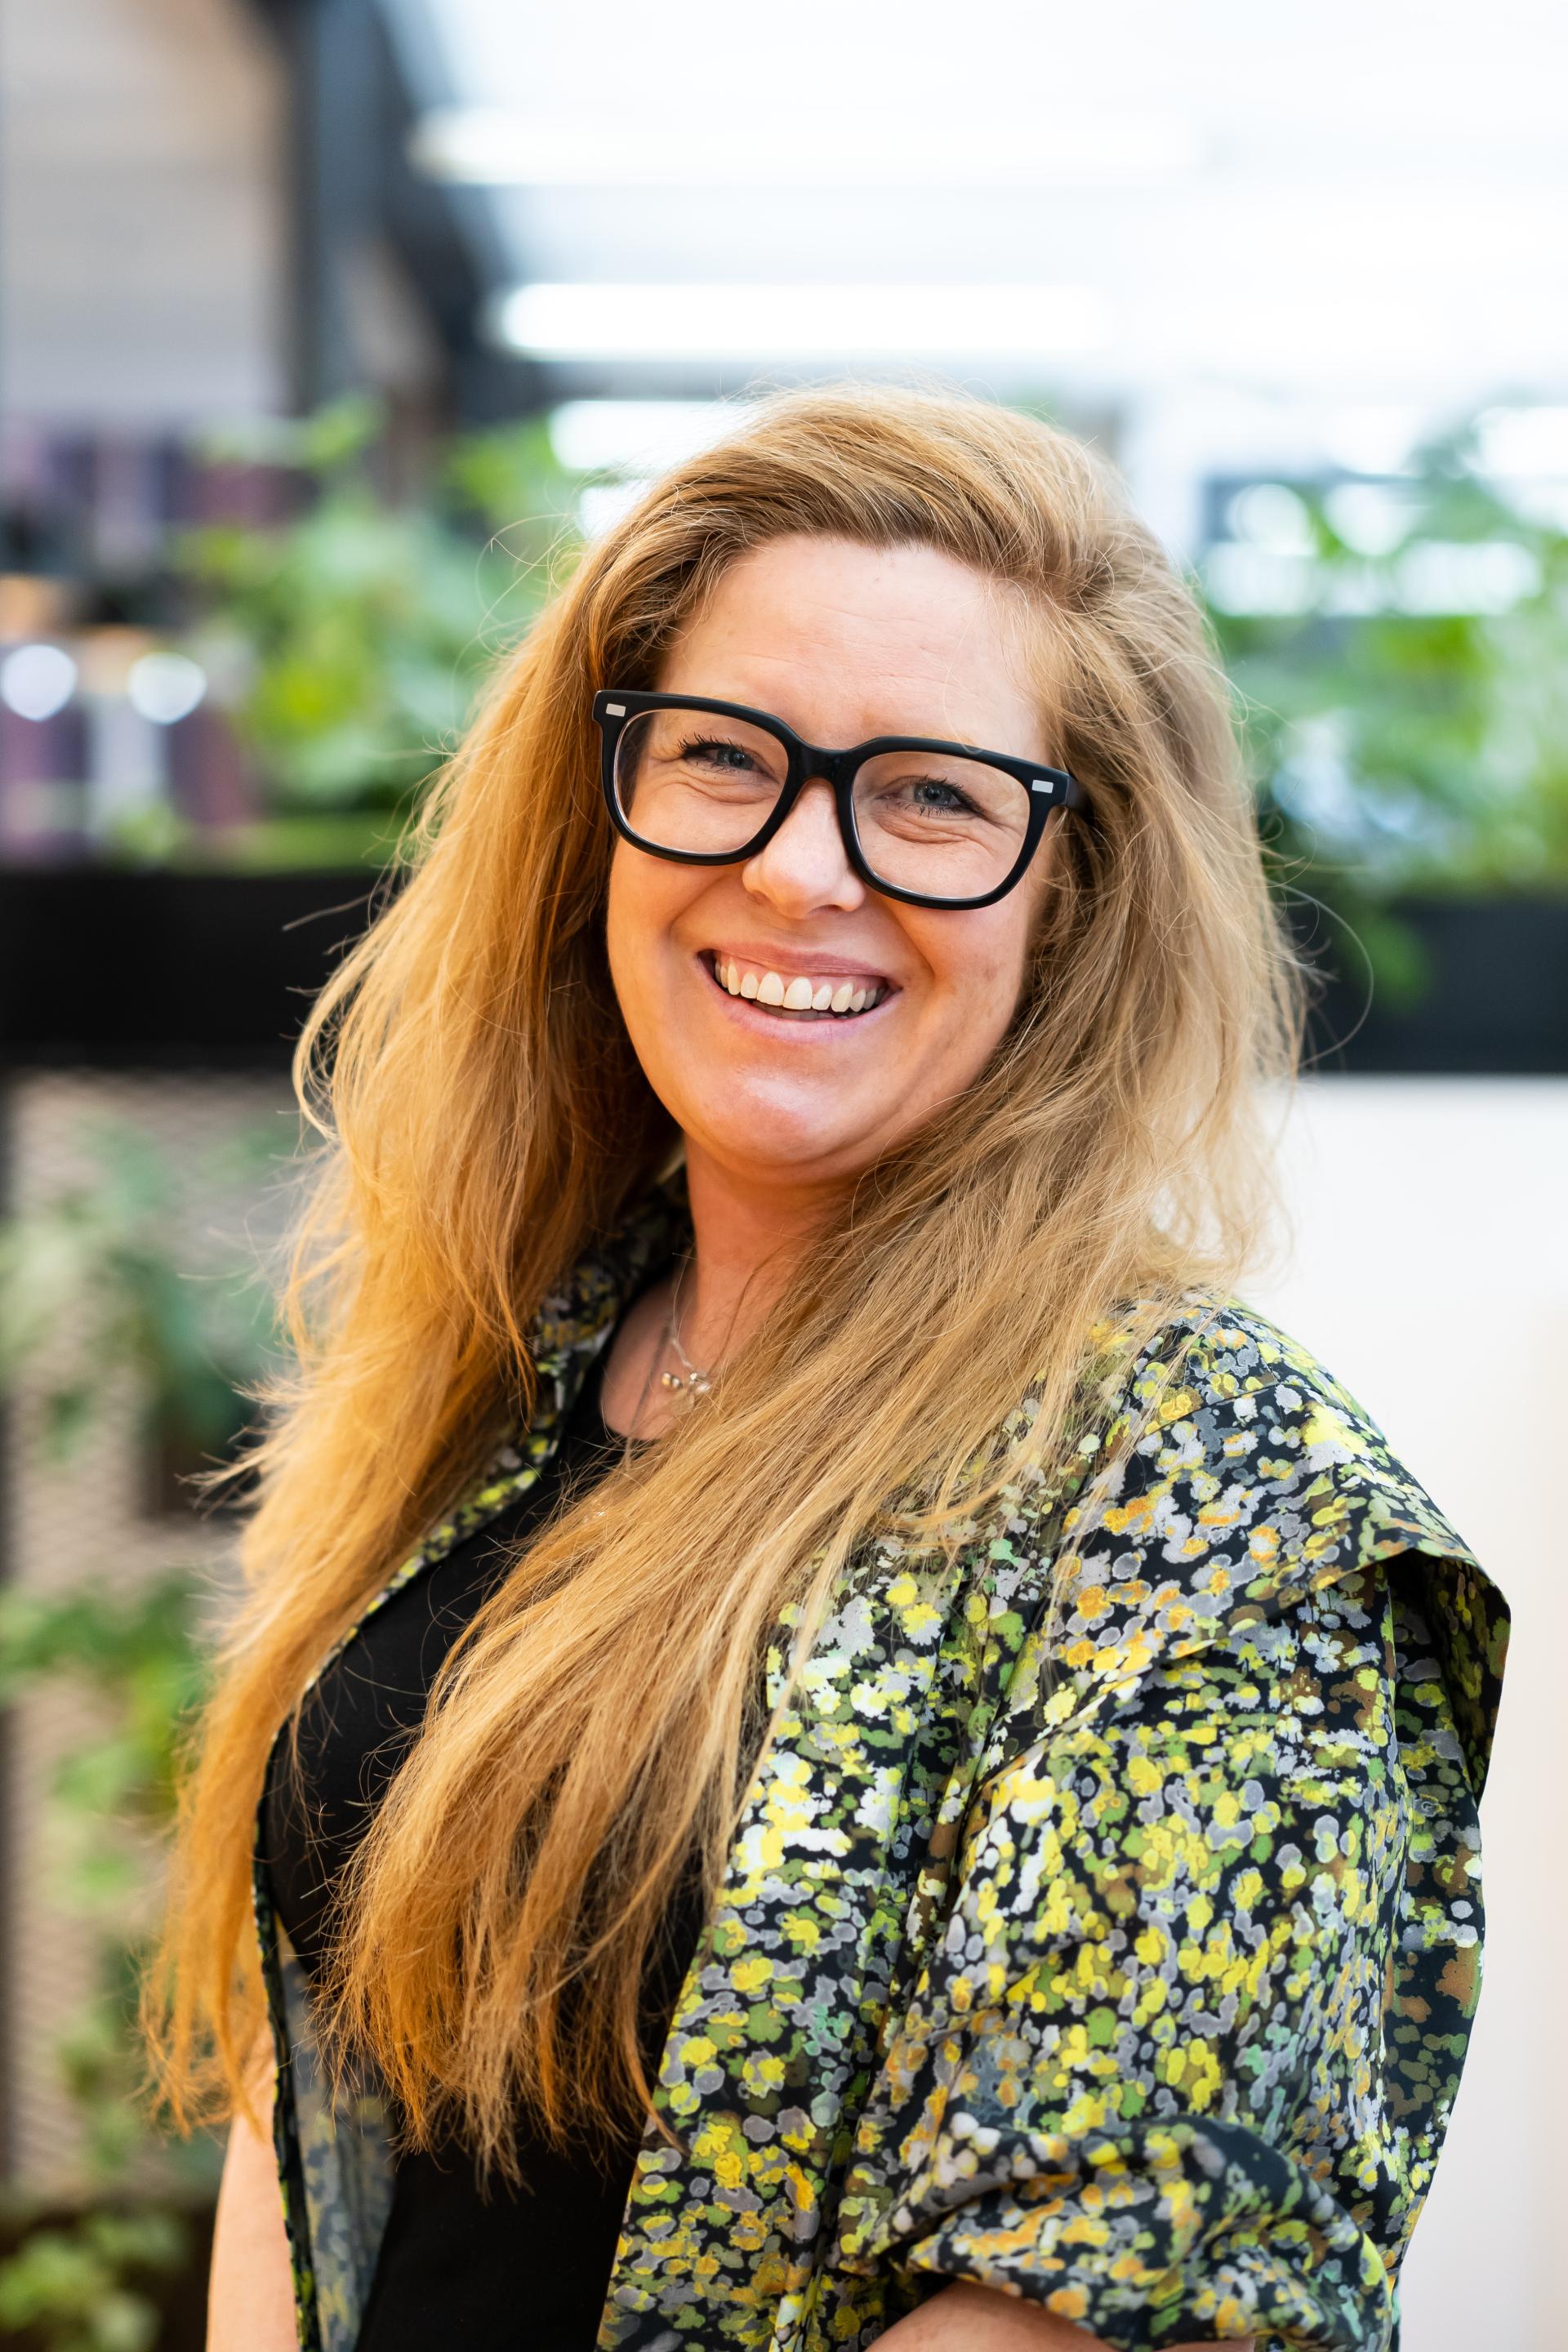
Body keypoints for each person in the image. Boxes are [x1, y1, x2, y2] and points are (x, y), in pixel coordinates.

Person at [147, 385, 1507, 2352]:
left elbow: (1078, 2308)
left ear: (1077, 894)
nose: (800, 867)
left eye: (935, 797)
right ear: (596, 806)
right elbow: (319, 2083)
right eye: (723, 756)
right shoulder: (514, 1366)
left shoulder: (1222, 1510)